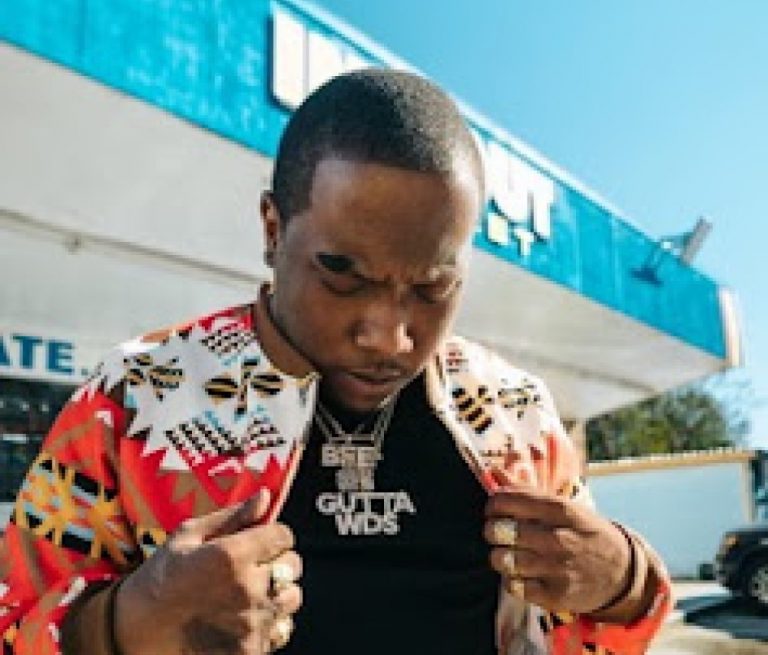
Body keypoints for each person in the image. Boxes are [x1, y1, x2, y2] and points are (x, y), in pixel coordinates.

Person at [0, 69, 671, 655]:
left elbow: (580, 628)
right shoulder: (136, 394)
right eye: (342, 273)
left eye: (434, 287)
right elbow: (12, 624)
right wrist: (127, 624)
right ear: (273, 229)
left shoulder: (514, 412)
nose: (389, 337)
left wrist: (627, 583)